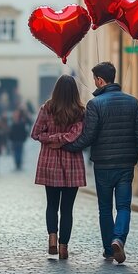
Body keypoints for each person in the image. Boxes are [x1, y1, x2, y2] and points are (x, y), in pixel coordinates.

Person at [62, 62, 138, 264]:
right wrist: (132, 157)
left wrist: (68, 146)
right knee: (124, 206)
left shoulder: (95, 104)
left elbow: (88, 136)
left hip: (103, 165)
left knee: (105, 208)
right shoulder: (132, 102)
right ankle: (119, 238)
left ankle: (109, 249)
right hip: (125, 164)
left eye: (95, 80)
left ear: (100, 80)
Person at [31, 75, 86, 260]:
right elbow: (76, 135)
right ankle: (63, 247)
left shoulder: (47, 108)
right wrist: (63, 139)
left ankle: (52, 239)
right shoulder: (80, 111)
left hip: (50, 161)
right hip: (72, 164)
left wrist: (52, 139)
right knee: (67, 209)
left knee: (52, 205)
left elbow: (36, 133)